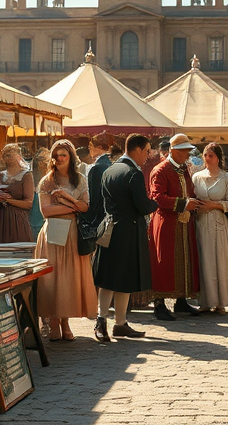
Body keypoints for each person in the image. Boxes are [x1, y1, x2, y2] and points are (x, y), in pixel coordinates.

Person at [92, 134, 159, 341]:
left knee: (111, 278)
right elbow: (142, 206)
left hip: (110, 228)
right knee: (123, 278)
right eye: (147, 151)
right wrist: (155, 203)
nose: (148, 156)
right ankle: (113, 322)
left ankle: (112, 322)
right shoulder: (133, 173)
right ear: (136, 149)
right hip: (129, 231)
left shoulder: (109, 170)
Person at [34, 139, 97, 341]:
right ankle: (52, 321)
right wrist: (73, 207)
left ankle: (65, 321)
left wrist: (67, 199)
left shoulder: (80, 179)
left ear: (71, 158)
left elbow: (86, 206)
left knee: (69, 278)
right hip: (54, 230)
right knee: (53, 277)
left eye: (63, 155)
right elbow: (46, 211)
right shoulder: (47, 181)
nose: (59, 158)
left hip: (73, 232)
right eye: (56, 155)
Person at [148, 133, 202, 321]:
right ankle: (159, 303)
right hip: (166, 222)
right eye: (184, 151)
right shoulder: (161, 170)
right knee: (164, 262)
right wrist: (183, 203)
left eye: (188, 151)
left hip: (183, 222)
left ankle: (181, 299)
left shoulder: (183, 169)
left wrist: (193, 201)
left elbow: (188, 190)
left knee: (184, 259)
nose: (187, 154)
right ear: (173, 150)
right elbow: (157, 197)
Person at [192, 143, 228, 314]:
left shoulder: (227, 177)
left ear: (218, 158)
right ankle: (205, 300)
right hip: (201, 223)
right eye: (205, 155)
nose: (208, 159)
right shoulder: (196, 177)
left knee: (219, 261)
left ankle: (220, 301)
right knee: (204, 261)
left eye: (211, 155)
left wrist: (214, 205)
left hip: (219, 223)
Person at [0, 143, 34, 244]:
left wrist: (8, 200)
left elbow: (28, 203)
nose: (8, 156)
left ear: (18, 155)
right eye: (6, 154)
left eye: (11, 154)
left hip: (18, 219)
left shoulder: (26, 175)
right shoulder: (0, 176)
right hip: (1, 219)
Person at [79, 134, 112, 244]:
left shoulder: (96, 168)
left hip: (99, 219)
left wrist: (88, 218)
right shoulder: (113, 163)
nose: (89, 149)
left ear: (96, 147)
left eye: (90, 146)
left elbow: (94, 198)